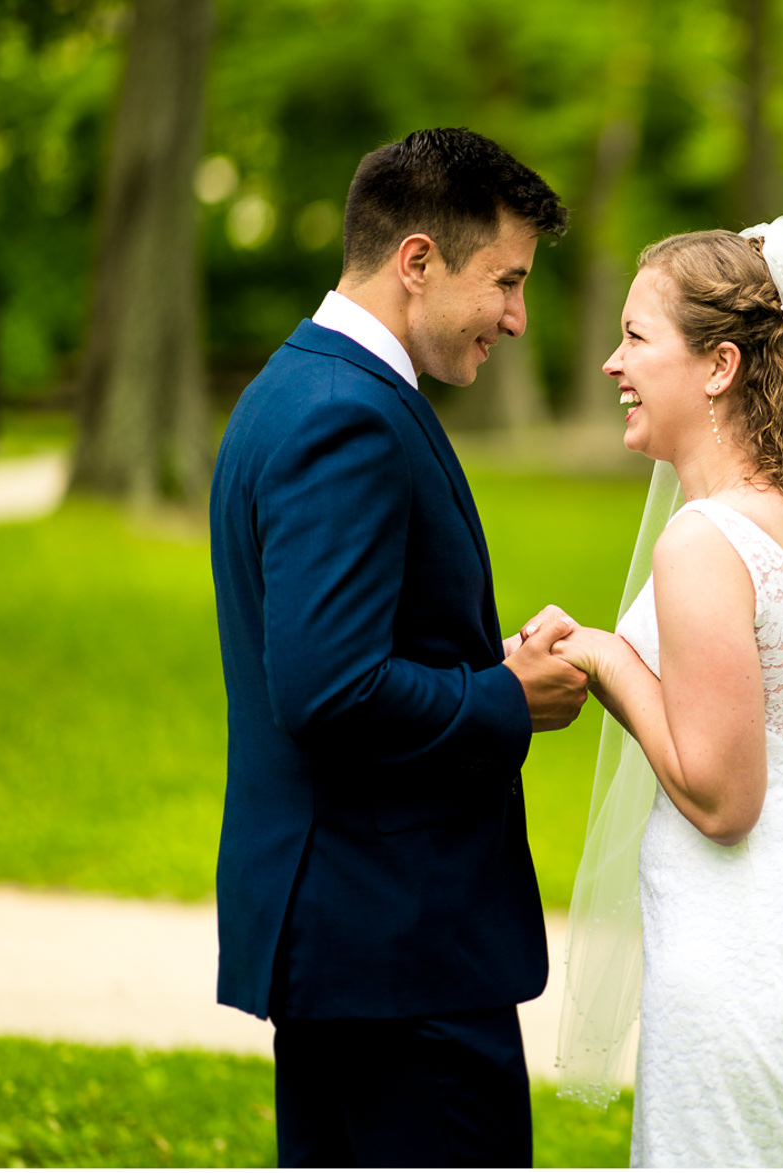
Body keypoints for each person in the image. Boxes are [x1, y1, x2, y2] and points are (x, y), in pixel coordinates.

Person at [209, 127, 585, 1166]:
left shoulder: (302, 383)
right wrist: (509, 696)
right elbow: (330, 688)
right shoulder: (348, 415)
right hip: (394, 951)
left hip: (359, 939)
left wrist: (479, 660)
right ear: (416, 260)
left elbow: (348, 642)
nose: (515, 317)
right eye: (504, 282)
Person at [541, 218, 783, 1166]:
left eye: (635, 337)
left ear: (718, 366)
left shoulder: (705, 541)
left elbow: (724, 798)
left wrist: (604, 658)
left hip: (740, 951)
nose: (610, 362)